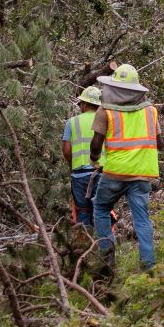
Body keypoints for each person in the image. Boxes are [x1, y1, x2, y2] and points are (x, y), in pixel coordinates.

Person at [89, 64, 161, 271]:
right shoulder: (151, 111)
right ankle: (148, 266)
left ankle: (107, 260)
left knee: (101, 208)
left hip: (115, 173)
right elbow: (159, 142)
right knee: (142, 219)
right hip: (141, 174)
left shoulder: (105, 111)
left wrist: (94, 158)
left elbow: (96, 144)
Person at [62, 85, 104, 227]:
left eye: (81, 104)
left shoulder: (72, 122)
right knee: (102, 211)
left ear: (85, 104)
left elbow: (67, 151)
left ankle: (85, 246)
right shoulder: (106, 121)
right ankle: (105, 246)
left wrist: (73, 165)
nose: (80, 106)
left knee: (83, 213)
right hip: (102, 174)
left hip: (80, 175)